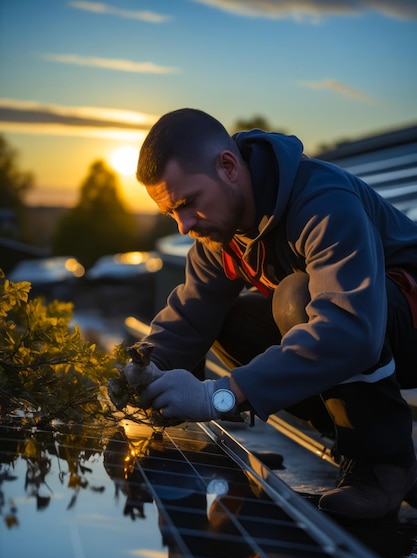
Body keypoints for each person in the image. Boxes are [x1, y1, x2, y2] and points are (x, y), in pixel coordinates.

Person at [114, 108, 417, 520]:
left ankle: (384, 466)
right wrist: (145, 365)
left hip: (400, 322)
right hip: (366, 336)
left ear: (228, 166)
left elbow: (351, 328)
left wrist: (217, 396)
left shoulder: (323, 200)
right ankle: (345, 432)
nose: (183, 226)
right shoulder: (220, 230)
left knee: (296, 297)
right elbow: (190, 314)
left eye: (188, 203)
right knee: (231, 317)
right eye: (171, 212)